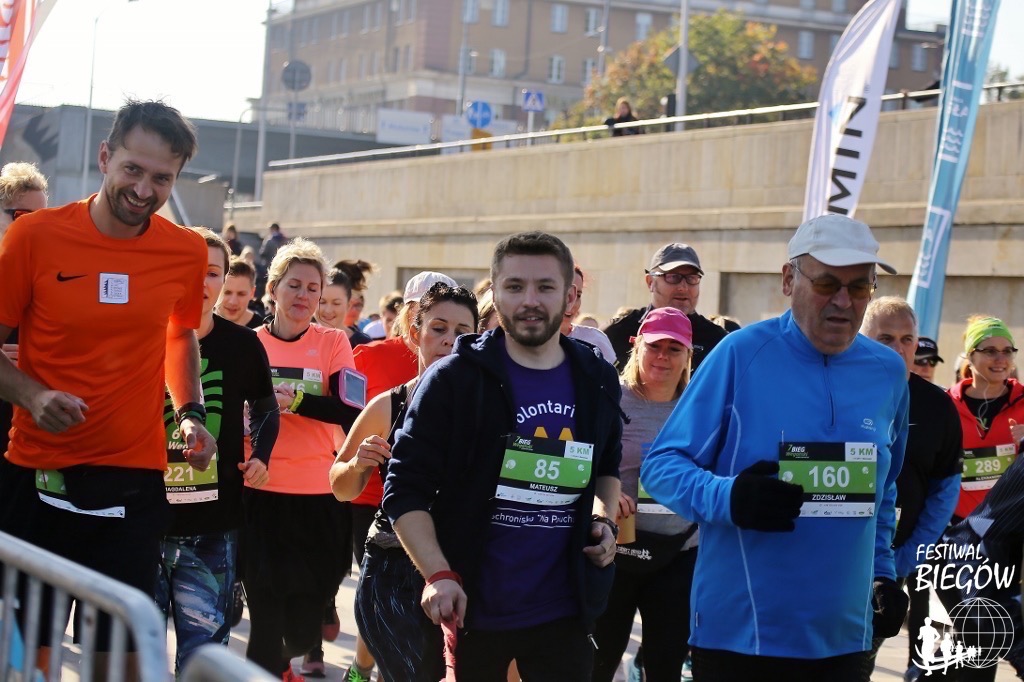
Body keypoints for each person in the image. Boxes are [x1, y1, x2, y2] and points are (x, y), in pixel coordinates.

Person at [640, 214, 910, 681]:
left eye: (859, 287)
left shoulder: (887, 371)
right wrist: (729, 497)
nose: (843, 301)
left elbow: (882, 489)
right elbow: (661, 466)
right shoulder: (739, 354)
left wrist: (883, 573)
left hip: (844, 638)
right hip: (742, 637)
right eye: (826, 284)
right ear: (789, 280)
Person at [0, 100, 216, 665]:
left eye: (162, 178)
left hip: (133, 482)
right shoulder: (34, 236)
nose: (144, 190)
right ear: (105, 157)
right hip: (38, 476)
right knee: (29, 664)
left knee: (115, 661)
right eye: (133, 169)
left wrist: (190, 413)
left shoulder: (185, 249)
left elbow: (179, 335)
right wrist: (32, 396)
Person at [382, 231, 623, 679]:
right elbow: (403, 490)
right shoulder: (453, 380)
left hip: (565, 612)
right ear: (494, 293)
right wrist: (438, 575)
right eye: (515, 286)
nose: (530, 300)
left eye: (545, 286)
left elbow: (606, 466)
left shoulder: (596, 377)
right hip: (470, 609)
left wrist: (604, 521)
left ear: (570, 296)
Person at [330, 282, 478, 682]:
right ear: (415, 332)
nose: (449, 340)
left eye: (462, 332)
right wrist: (357, 465)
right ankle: (362, 669)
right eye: (438, 328)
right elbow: (340, 486)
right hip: (392, 569)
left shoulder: (488, 408)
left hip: (465, 566)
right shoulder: (388, 405)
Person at [156, 228, 280, 674]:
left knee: (204, 658)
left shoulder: (243, 345)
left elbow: (266, 408)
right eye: (189, 269)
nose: (200, 281)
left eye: (211, 272)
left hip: (213, 526)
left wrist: (261, 455)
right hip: (145, 521)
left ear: (225, 280)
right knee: (136, 653)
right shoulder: (142, 335)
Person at [240, 238, 362, 681]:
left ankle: (284, 662)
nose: (303, 296)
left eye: (313, 288)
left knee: (304, 626)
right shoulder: (249, 344)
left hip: (319, 496)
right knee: (266, 617)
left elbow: (350, 410)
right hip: (261, 492)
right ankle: (270, 671)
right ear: (273, 289)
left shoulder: (333, 342)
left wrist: (294, 402)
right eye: (294, 285)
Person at [857, 296, 963, 682]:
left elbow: (944, 490)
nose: (898, 349)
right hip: (833, 556)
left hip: (894, 560)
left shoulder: (937, 406)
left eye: (907, 340)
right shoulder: (838, 390)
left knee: (861, 658)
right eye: (885, 338)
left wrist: (907, 556)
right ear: (861, 338)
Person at [591, 307, 698, 682]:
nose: (663, 357)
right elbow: (583, 462)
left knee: (665, 666)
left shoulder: (699, 407)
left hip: (679, 552)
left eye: (674, 348)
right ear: (637, 348)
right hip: (616, 550)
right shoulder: (612, 400)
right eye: (655, 346)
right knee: (599, 662)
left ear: (688, 356)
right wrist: (605, 496)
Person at [946, 316, 1024, 524]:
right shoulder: (946, 405)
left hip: (1012, 525)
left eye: (1007, 351)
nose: (1000, 359)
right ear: (970, 355)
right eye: (990, 351)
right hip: (956, 525)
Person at [603, 243, 727, 372]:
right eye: (673, 277)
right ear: (650, 282)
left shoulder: (718, 341)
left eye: (691, 278)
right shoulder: (617, 332)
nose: (683, 287)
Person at [0, 161, 48, 457]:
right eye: (21, 216)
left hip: (25, 432)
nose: (32, 226)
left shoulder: (47, 279)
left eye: (41, 218)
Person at [561, 265, 615, 363]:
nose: (571, 303)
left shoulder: (596, 339)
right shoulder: (531, 339)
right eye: (565, 293)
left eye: (578, 295)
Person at [216, 257, 262, 329]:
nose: (233, 302)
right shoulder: (201, 325)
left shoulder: (263, 331)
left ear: (252, 293)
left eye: (241, 294)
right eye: (227, 292)